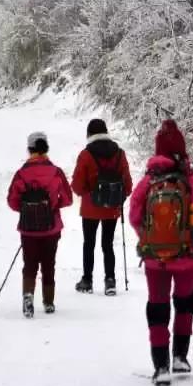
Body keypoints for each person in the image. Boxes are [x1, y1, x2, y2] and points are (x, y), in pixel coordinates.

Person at [130, 119, 193, 386]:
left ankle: (160, 367)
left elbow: (134, 215)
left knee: (157, 307)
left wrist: (150, 240)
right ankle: (180, 356)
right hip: (187, 257)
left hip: (155, 260)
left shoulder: (148, 182)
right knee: (185, 303)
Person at [6, 131, 73, 318]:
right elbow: (68, 199)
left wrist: (28, 210)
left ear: (30, 149)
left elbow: (12, 201)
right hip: (51, 227)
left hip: (28, 229)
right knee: (48, 264)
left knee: (29, 264)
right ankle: (49, 302)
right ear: (46, 148)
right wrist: (52, 207)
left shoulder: (21, 174)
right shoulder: (56, 172)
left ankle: (28, 296)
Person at [71, 118, 133, 295]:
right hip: (112, 207)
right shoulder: (119, 153)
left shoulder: (86, 155)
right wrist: (120, 196)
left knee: (88, 243)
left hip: (90, 208)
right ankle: (110, 280)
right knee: (108, 244)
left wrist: (87, 194)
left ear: (89, 134)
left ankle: (87, 280)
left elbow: (76, 185)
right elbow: (127, 183)